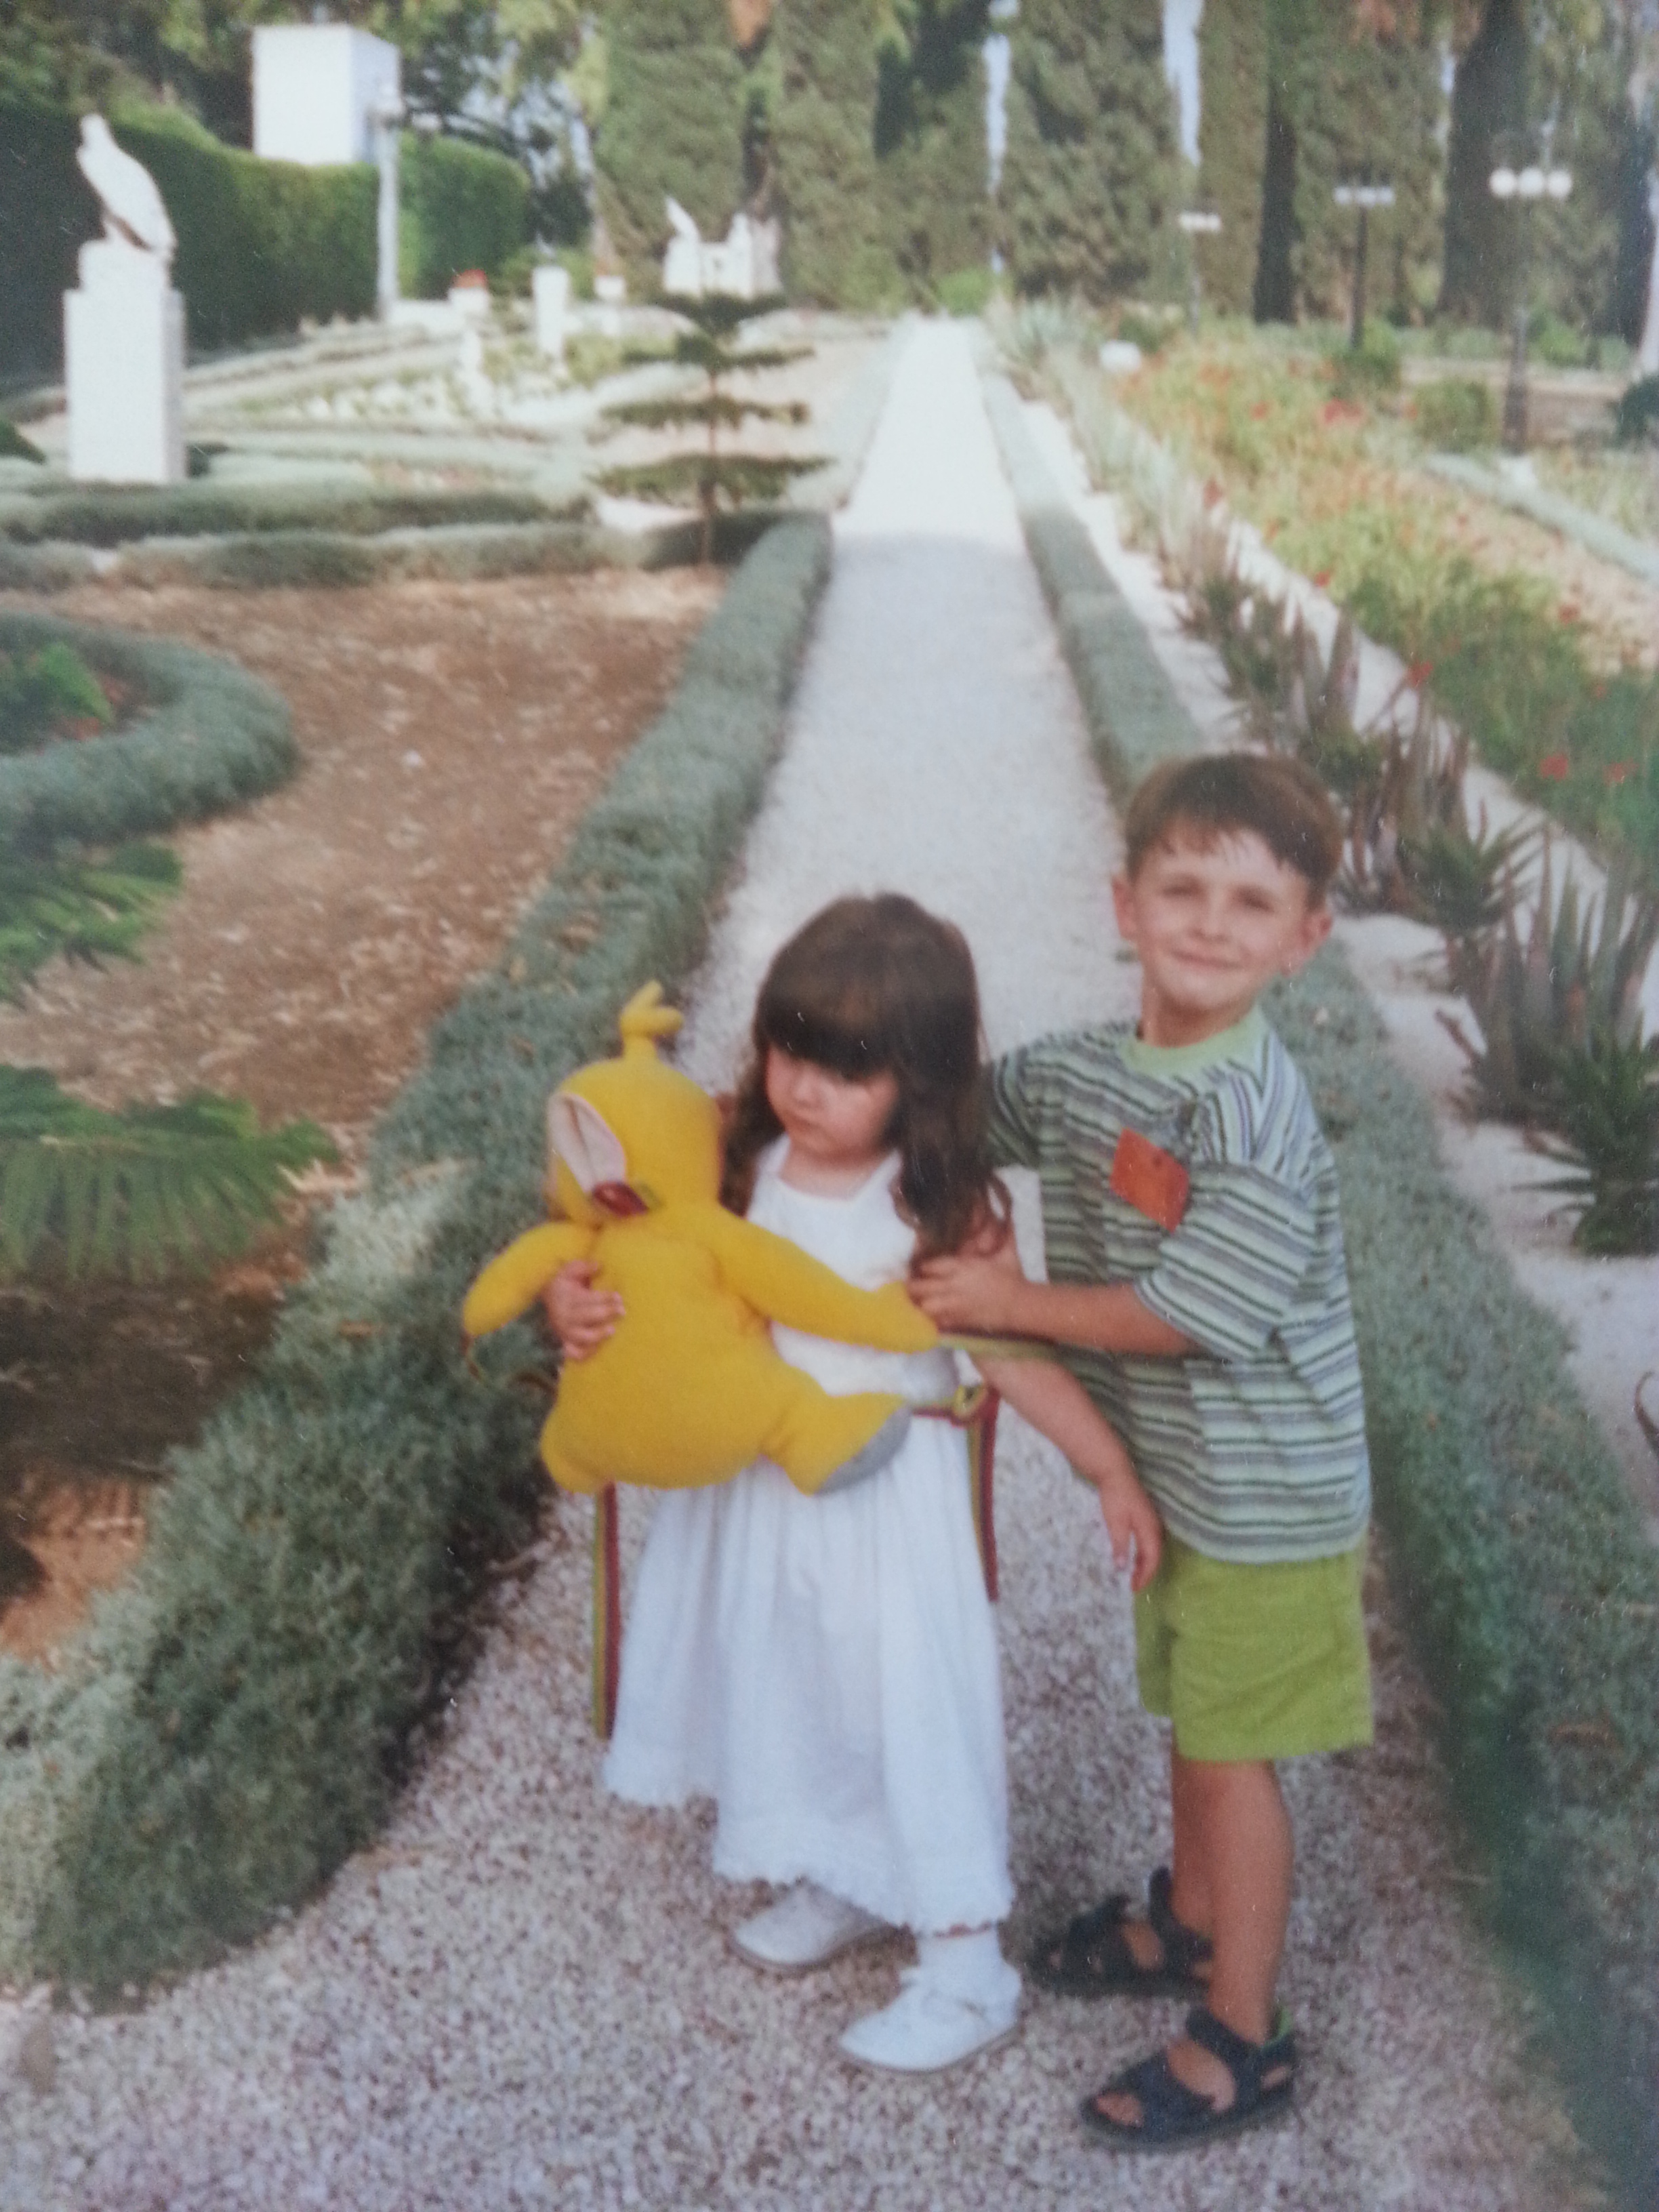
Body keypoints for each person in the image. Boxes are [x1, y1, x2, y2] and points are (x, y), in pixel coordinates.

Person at [550, 894, 1161, 2074]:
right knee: (789, 1684)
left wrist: (1107, 1467)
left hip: (888, 1507)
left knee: (908, 1708)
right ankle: (845, 1868)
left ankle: (966, 1966)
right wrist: (573, 1304)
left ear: (922, 1082)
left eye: (847, 1069)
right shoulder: (736, 1160)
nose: (805, 1087)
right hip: (760, 1496)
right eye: (790, 1049)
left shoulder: (932, 1209)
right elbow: (623, 1255)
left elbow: (1010, 1352)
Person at [912, 754, 1372, 2150]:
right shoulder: (1092, 1075)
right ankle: (1187, 1918)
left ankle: (1246, 2034)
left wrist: (1007, 1302)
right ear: (1127, 904)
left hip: (1268, 1497)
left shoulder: (1251, 1110)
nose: (1213, 921)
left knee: (1236, 1754)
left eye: (1253, 900)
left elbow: (1197, 1311)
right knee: (1191, 1712)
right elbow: (953, 1119)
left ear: (1307, 940)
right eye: (1184, 887)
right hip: (1181, 1482)